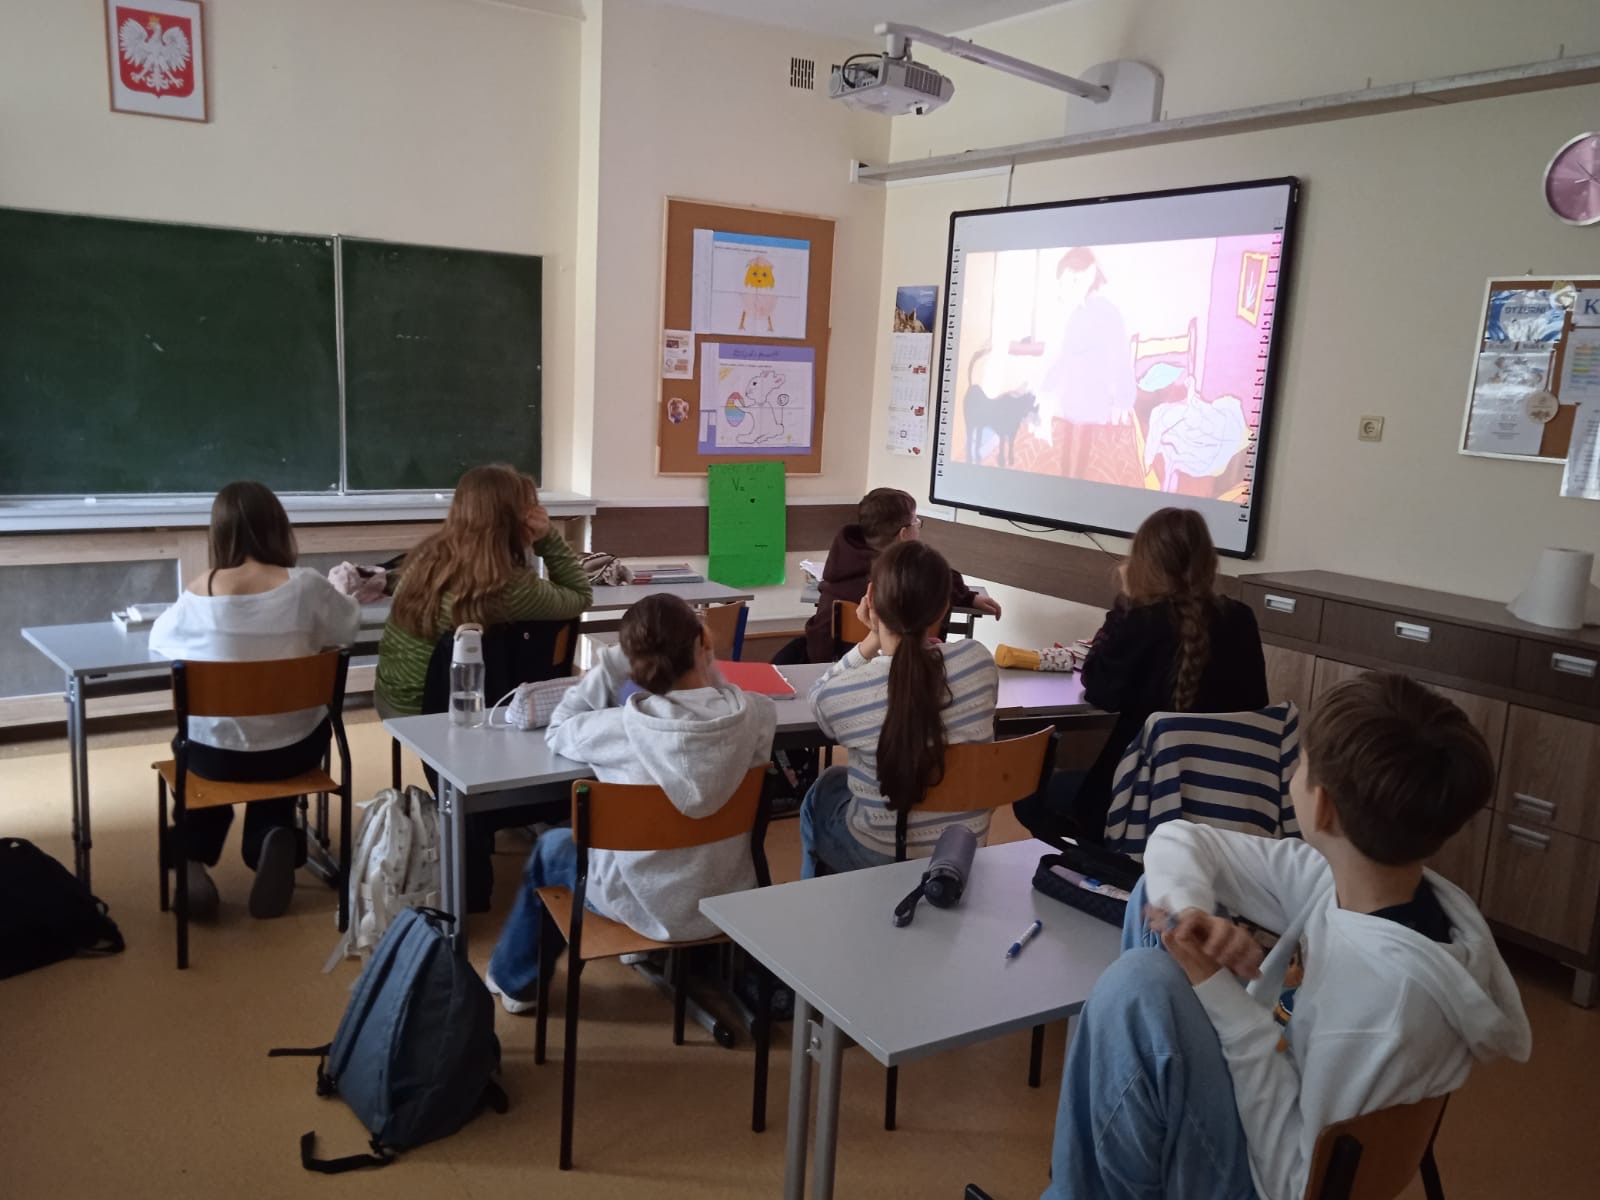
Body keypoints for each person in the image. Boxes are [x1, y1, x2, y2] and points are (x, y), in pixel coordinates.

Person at [1042, 671, 1532, 1200]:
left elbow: (1292, 1181)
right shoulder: (1348, 879)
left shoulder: (1387, 1004)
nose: (1294, 773)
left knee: (1137, 986)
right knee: (1160, 901)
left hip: (1268, 1174)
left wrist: (1217, 989)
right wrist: (1193, 913)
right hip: (1273, 1079)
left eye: (1300, 764)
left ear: (1323, 807)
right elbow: (1180, 839)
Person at [485, 593, 777, 1013]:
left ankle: (515, 981)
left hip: (641, 902)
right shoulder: (759, 716)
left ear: (633, 661)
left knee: (552, 846)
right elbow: (716, 696)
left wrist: (611, 663)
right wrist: (704, 659)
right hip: (725, 892)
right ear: (704, 643)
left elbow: (558, 727)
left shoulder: (617, 728)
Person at [149, 481, 360, 921]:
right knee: (281, 741)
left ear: (218, 534)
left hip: (215, 757)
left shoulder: (199, 591)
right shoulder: (308, 586)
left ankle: (191, 857)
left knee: (194, 748)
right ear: (278, 527)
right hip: (293, 752)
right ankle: (271, 834)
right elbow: (345, 630)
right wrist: (343, 593)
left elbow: (159, 641)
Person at [1016, 506, 1267, 844]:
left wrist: (1125, 603)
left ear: (1143, 563)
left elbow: (1099, 690)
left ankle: (1096, 863)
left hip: (1135, 798)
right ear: (1208, 561)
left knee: (1028, 796)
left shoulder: (1141, 620)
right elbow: (1256, 704)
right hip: (1223, 800)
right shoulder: (1241, 619)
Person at [799, 540, 1000, 876]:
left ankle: (814, 894)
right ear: (943, 609)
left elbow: (818, 695)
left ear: (871, 599)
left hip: (879, 852)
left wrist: (871, 639)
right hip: (960, 850)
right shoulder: (978, 661)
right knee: (836, 780)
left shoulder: (842, 694)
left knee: (823, 790)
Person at [375, 464, 592, 718]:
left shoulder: (428, 554)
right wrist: (548, 538)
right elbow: (580, 595)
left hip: (390, 697)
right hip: (432, 710)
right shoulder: (508, 585)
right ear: (517, 521)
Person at [776, 487, 1002, 666]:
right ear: (904, 534)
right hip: (906, 665)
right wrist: (968, 597)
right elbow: (940, 578)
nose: (918, 527)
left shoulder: (842, 560)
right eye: (916, 522)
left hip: (836, 662)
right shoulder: (914, 577)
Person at [1039, 246, 1137, 481]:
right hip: (1074, 391)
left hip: (1092, 392)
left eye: (1068, 281)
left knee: (1081, 441)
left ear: (1085, 277)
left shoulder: (1107, 311)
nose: (1063, 289)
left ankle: (1074, 482)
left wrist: (1123, 398)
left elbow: (1121, 356)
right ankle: (1067, 480)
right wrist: (1047, 385)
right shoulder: (1076, 313)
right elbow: (1066, 354)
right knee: (1070, 438)